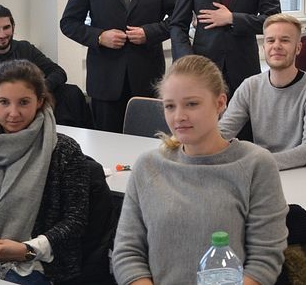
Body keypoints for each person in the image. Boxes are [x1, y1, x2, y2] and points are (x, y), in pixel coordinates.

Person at [112, 55, 288, 285]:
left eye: (192, 104)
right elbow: (127, 253)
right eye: (169, 106)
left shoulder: (255, 164)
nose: (179, 117)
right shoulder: (148, 166)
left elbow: (265, 258)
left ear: (220, 103)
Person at [0, 60, 89, 283]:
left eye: (24, 102)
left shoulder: (62, 150)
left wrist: (26, 250)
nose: (13, 113)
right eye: (4, 102)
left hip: (30, 263)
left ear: (40, 101)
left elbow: (75, 221)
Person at [61, 0, 178, 133]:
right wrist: (99, 36)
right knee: (106, 146)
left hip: (146, 77)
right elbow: (68, 22)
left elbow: (178, 19)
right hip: (105, 80)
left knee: (148, 145)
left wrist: (149, 32)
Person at [219, 14, 306, 170]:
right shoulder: (250, 86)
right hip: (260, 173)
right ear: (264, 48)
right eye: (270, 40)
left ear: (298, 48)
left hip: (302, 172)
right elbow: (223, 133)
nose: (276, 46)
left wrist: (256, 162)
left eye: (284, 40)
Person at [0, 5, 66, 105]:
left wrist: (38, 89)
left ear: (13, 27)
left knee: (70, 92)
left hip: (30, 105)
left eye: (6, 27)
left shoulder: (25, 49)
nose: (2, 35)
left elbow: (58, 72)